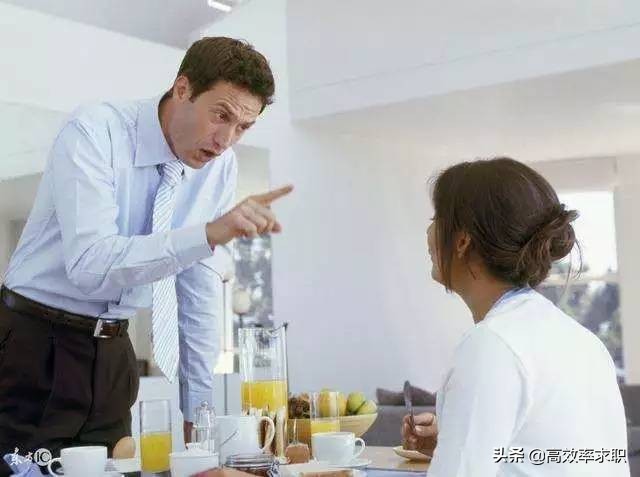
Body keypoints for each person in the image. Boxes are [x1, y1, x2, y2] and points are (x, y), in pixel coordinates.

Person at [0, 36, 292, 474]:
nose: (226, 140)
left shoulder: (219, 168)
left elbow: (197, 288)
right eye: (221, 115)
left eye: (243, 127)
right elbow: (90, 263)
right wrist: (207, 234)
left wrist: (198, 414)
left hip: (113, 355)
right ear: (182, 89)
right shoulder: (95, 131)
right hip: (32, 344)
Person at [402, 157, 630, 476]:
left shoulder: (491, 346)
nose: (429, 232)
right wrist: (456, 440)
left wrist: (461, 448)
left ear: (462, 241)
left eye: (436, 218)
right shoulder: (582, 341)